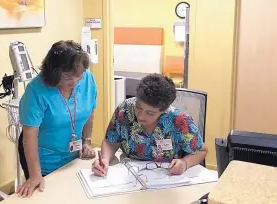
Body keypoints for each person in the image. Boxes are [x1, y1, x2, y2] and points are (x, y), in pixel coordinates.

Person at [16, 40, 97, 197]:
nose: (74, 82)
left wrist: (86, 142)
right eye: (68, 77)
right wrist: (34, 175)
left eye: (78, 77)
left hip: (74, 155)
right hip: (45, 159)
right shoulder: (36, 90)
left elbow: (90, 113)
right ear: (54, 72)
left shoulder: (88, 79)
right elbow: (29, 135)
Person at [92, 73, 207, 177]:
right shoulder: (125, 110)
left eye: (150, 113)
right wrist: (105, 159)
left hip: (167, 178)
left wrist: (185, 163)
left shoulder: (179, 121)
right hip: (130, 175)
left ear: (164, 110)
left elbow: (201, 150)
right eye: (138, 107)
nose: (141, 116)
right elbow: (110, 141)